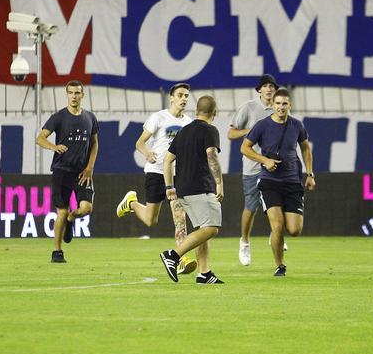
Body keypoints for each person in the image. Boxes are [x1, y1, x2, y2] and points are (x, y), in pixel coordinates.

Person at [116, 82, 196, 276]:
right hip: (155, 171)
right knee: (151, 220)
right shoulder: (159, 117)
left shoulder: (189, 123)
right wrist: (147, 152)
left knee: (179, 216)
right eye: (180, 95)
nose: (184, 99)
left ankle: (180, 258)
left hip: (177, 175)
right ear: (172, 98)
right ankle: (132, 203)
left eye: (186, 95)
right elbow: (139, 142)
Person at [240, 89, 315, 277]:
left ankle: (275, 237)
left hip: (292, 182)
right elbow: (244, 147)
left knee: (295, 230)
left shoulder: (297, 126)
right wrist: (264, 160)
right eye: (278, 103)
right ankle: (280, 265)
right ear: (272, 105)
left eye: (285, 104)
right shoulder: (262, 126)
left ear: (290, 105)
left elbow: (305, 148)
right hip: (269, 182)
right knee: (278, 226)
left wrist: (310, 173)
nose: (281, 107)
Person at [158, 95, 225, 285]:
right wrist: (219, 183)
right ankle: (173, 255)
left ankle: (204, 273)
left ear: (196, 111)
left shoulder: (184, 131)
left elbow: (167, 160)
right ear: (215, 112)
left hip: (183, 188)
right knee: (211, 228)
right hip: (200, 187)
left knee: (202, 228)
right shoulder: (210, 130)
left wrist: (170, 186)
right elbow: (211, 156)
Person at [35, 81, 99, 263]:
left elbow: (95, 143)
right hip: (62, 170)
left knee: (86, 208)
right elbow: (40, 138)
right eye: (71, 93)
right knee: (61, 211)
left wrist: (90, 167)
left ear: (82, 95)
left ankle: (73, 217)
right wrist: (53, 147)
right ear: (67, 95)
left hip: (82, 172)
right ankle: (57, 251)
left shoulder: (90, 118)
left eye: (77, 93)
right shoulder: (59, 117)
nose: (74, 96)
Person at [228, 74, 277, 266]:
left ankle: (277, 235)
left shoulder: (280, 107)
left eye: (271, 86)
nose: (269, 89)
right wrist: (250, 131)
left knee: (278, 203)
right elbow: (231, 133)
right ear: (259, 90)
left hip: (274, 165)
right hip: (253, 165)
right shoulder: (249, 107)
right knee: (251, 207)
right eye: (265, 86)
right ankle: (244, 241)